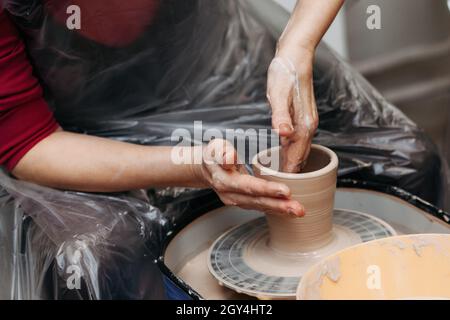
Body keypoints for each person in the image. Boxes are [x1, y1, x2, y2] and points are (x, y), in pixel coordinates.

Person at [0, 0, 343, 218]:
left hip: (218, 65)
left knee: (371, 143)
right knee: (100, 253)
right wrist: (194, 166)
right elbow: (29, 141)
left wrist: (297, 45)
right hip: (83, 140)